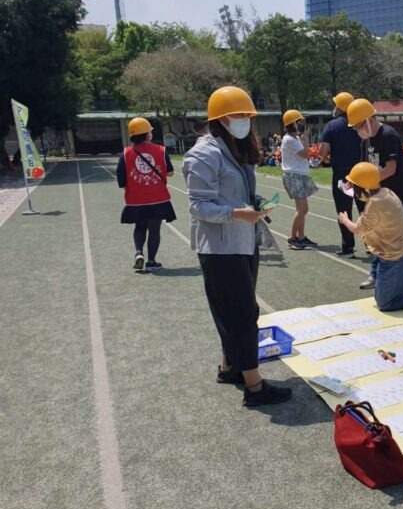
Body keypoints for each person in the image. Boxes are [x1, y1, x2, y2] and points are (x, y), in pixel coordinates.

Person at [182, 86, 291, 407]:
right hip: (220, 248)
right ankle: (255, 388)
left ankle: (230, 367)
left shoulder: (236, 148)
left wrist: (255, 202)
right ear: (220, 119)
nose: (244, 121)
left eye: (247, 115)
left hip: (243, 240)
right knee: (243, 313)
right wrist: (235, 213)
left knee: (236, 310)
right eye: (238, 115)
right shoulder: (204, 154)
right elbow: (198, 206)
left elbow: (238, 191)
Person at [338, 162, 403, 311]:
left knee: (384, 303)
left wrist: (345, 219)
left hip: (395, 260)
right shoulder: (386, 191)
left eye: (354, 185)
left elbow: (358, 228)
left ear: (362, 187)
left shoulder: (374, 204)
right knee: (382, 294)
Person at [347, 98, 403, 290]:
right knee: (378, 238)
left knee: (397, 242)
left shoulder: (389, 135)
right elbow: (363, 167)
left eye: (359, 126)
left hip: (398, 197)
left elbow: (390, 169)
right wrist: (353, 181)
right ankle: (376, 275)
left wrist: (369, 181)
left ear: (369, 119)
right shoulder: (366, 140)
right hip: (378, 199)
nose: (357, 131)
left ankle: (400, 276)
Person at [116, 117, 176, 272]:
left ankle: (138, 253)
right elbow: (170, 172)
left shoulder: (126, 153)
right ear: (147, 134)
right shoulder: (161, 150)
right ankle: (151, 261)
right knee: (154, 230)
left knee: (139, 227)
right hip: (158, 199)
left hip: (135, 200)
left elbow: (121, 181)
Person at [319, 92, 364, 258]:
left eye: (336, 105)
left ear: (340, 107)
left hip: (342, 177)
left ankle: (348, 246)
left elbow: (322, 152)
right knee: (366, 210)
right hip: (361, 175)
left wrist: (329, 156)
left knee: (344, 211)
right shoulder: (360, 124)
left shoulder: (332, 126)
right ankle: (371, 244)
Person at [281, 108, 318, 250]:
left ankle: (301, 237)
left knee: (303, 209)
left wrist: (303, 138)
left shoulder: (294, 138)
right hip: (294, 175)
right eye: (298, 122)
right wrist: (306, 138)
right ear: (292, 124)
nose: (301, 124)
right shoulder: (289, 139)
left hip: (299, 174)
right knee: (301, 209)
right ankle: (292, 238)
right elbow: (305, 154)